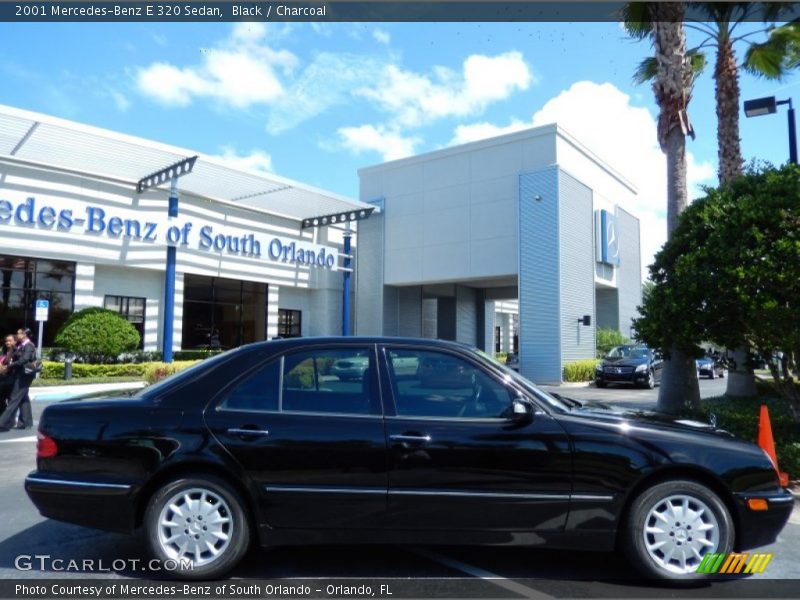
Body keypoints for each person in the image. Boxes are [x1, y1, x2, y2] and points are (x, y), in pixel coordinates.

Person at [0, 328, 36, 431]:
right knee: (23, 398)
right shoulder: (21, 345)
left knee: (14, 398)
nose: (17, 335)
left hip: (25, 376)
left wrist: (10, 366)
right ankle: (26, 422)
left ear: (24, 334)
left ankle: (2, 422)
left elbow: (24, 360)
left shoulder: (29, 345)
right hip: (20, 374)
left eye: (19, 333)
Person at [0, 334, 16, 410]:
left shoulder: (16, 352)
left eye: (10, 341)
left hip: (10, 378)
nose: (7, 342)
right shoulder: (4, 352)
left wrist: (4, 368)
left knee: (10, 399)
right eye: (6, 341)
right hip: (2, 378)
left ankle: (9, 418)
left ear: (15, 341)